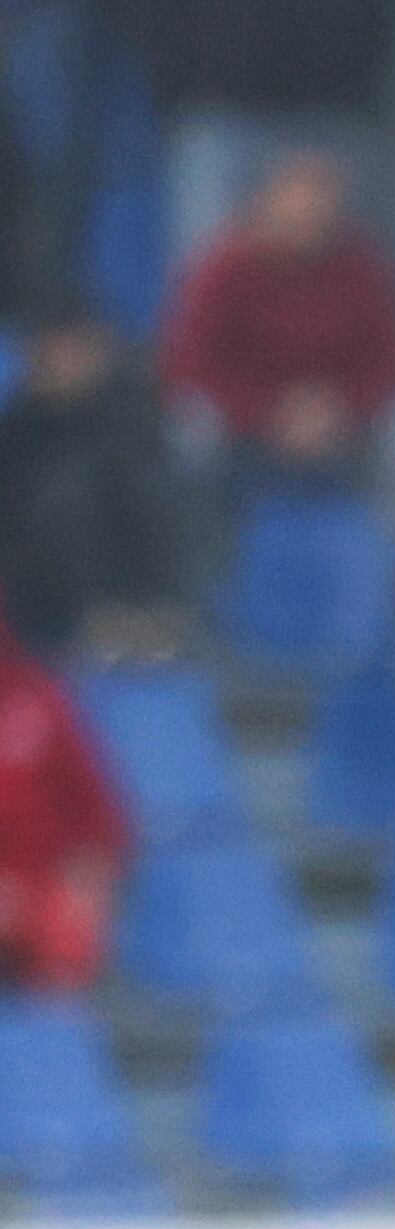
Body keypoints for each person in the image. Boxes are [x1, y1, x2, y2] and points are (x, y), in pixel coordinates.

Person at [156, 148, 395, 487]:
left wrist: (340, 407)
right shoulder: (221, 269)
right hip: (247, 416)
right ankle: (205, 539)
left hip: (338, 415)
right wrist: (267, 410)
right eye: (295, 210)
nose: (305, 221)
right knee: (190, 431)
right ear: (265, 205)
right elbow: (189, 364)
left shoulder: (362, 268)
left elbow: (394, 359)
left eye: (318, 210)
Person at [0, 312, 190, 658]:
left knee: (142, 492)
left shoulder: (134, 405)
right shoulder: (19, 423)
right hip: (46, 593)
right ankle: (98, 621)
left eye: (74, 350)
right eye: (52, 352)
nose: (64, 363)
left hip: (133, 572)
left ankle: (151, 617)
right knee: (60, 500)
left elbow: (139, 477)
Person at [0, 615, 122, 991]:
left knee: (66, 926)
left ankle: (54, 1035)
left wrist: (83, 882)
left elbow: (99, 817)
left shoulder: (36, 698)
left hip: (36, 894)